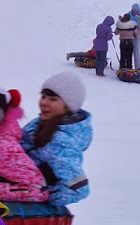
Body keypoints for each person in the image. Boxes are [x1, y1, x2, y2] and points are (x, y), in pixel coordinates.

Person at [22, 73, 93, 207]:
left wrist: (44, 197)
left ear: (68, 106)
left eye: (53, 99)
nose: (44, 102)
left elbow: (78, 189)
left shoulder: (62, 142)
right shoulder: (39, 123)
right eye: (43, 97)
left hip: (27, 205)